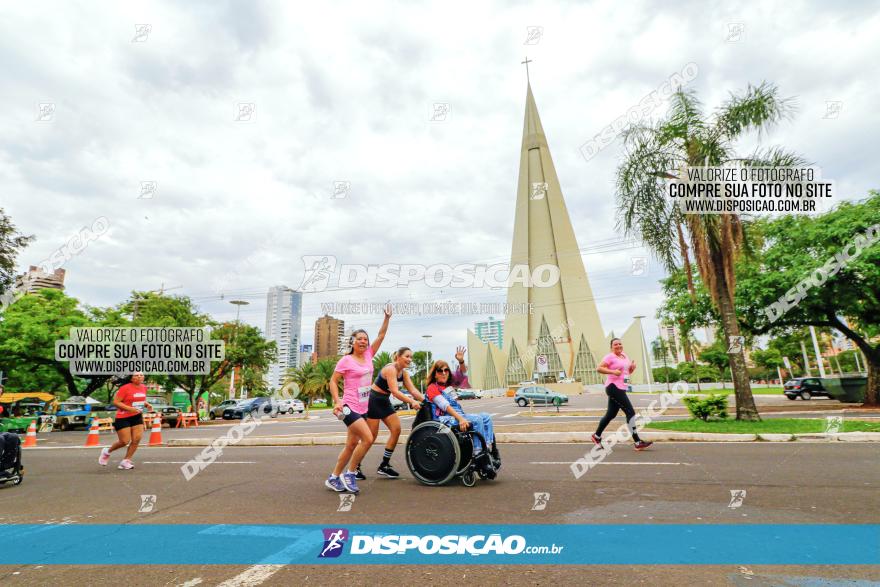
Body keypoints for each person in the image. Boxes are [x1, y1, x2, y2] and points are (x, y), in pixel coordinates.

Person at [325, 306, 391, 493]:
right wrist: (337, 401)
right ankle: (351, 473)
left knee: (351, 445)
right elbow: (333, 380)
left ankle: (333, 478)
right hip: (348, 407)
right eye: (359, 339)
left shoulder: (369, 354)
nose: (363, 341)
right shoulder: (346, 360)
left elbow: (381, 335)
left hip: (363, 408)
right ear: (352, 342)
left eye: (365, 339)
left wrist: (386, 318)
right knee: (368, 439)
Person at [365, 347, 423, 478]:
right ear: (398, 357)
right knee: (370, 437)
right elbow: (395, 392)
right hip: (373, 400)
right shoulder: (390, 369)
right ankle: (356, 467)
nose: (410, 359)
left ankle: (384, 465)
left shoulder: (404, 373)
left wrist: (428, 400)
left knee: (396, 430)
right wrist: (412, 402)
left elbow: (413, 390)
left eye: (411, 357)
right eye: (407, 356)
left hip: (384, 401)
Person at [425, 360, 499, 462]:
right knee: (477, 419)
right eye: (440, 371)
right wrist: (461, 419)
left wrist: (461, 361)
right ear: (435, 375)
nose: (444, 373)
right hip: (442, 420)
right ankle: (478, 452)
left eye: (446, 370)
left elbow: (462, 374)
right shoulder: (432, 388)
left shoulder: (448, 386)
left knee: (486, 416)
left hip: (455, 415)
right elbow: (445, 406)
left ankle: (487, 447)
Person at [593, 338, 653, 451]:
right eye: (615, 344)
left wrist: (632, 369)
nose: (618, 345)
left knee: (611, 415)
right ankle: (637, 441)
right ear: (611, 347)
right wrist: (612, 372)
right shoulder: (610, 357)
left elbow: (625, 373)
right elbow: (599, 368)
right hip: (613, 387)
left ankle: (596, 436)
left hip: (621, 387)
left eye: (620, 343)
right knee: (630, 412)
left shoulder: (624, 356)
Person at [99, 372, 153, 469]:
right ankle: (107, 452)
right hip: (123, 417)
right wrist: (129, 409)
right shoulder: (125, 388)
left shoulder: (144, 387)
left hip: (137, 416)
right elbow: (116, 402)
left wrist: (147, 404)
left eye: (141, 375)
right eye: (136, 375)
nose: (140, 376)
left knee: (136, 439)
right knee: (124, 441)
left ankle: (126, 461)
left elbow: (138, 399)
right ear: (131, 378)